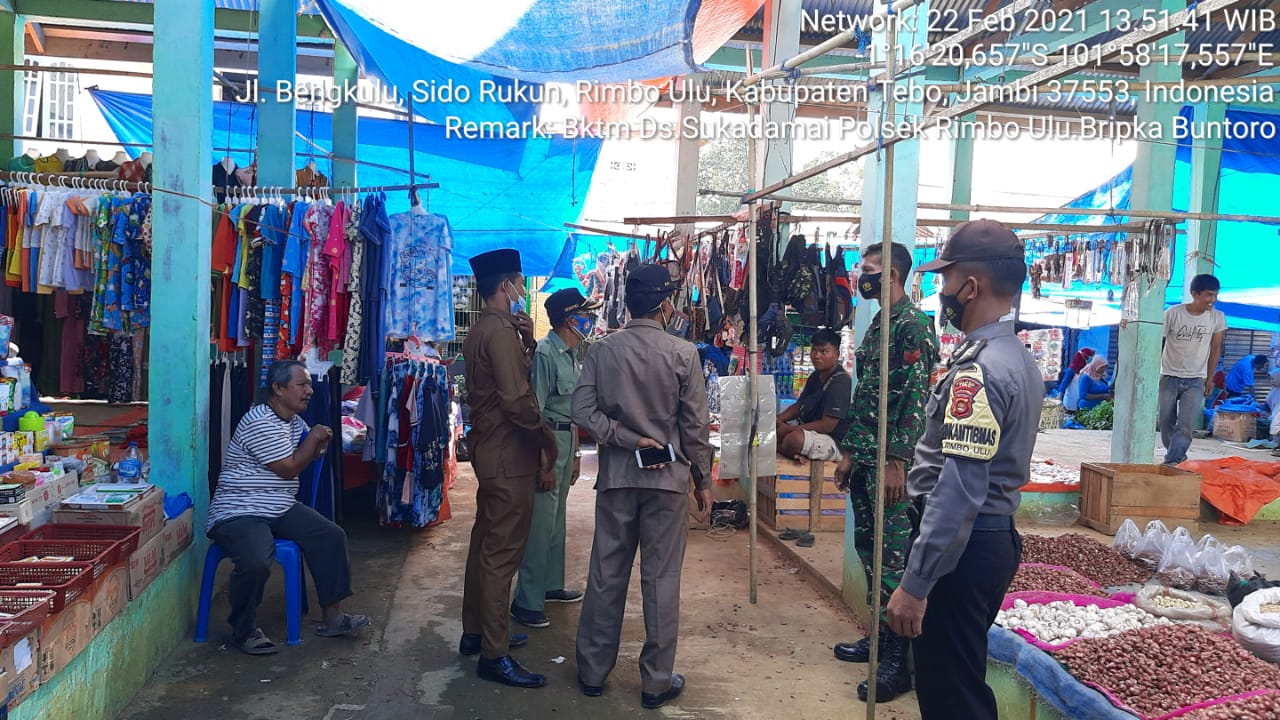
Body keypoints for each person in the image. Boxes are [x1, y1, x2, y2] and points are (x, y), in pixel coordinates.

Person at [884, 219, 1041, 720]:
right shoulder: (1015, 358)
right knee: (959, 678)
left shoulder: (981, 371)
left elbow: (957, 490)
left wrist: (917, 583)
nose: (942, 290)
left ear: (971, 287)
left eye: (946, 279)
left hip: (963, 548)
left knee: (952, 695)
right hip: (986, 539)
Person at [571, 264, 713, 711]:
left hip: (617, 478)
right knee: (661, 578)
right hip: (668, 483)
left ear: (629, 304)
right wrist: (703, 479)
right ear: (665, 305)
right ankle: (655, 681)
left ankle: (593, 672)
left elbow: (582, 411)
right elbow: (695, 427)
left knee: (606, 573)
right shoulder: (683, 353)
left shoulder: (602, 350)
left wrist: (626, 438)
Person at [831, 242, 938, 702]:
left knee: (892, 559)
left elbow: (914, 400)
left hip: (894, 465)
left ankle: (897, 661)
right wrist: (851, 454)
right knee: (870, 550)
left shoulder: (911, 326)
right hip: (868, 459)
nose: (862, 276)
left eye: (868, 269)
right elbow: (869, 396)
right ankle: (878, 637)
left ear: (892, 274)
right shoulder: (879, 324)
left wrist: (897, 462)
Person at [206, 360, 368, 656]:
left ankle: (333, 616)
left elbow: (310, 453)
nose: (310, 391)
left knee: (330, 536)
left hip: (279, 506)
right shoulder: (260, 421)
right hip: (240, 509)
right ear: (279, 389)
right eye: (302, 385)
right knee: (256, 559)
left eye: (309, 385)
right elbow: (288, 468)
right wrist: (315, 438)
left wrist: (317, 441)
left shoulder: (292, 421)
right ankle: (243, 630)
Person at [460, 248, 559, 689]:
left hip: (491, 451)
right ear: (505, 286)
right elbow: (517, 400)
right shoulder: (499, 333)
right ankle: (494, 654)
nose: (523, 290)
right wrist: (545, 439)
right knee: (501, 556)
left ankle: (477, 631)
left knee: (485, 543)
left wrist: (528, 343)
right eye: (520, 283)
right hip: (508, 455)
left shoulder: (485, 330)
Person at [511, 288, 602, 629]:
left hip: (566, 440)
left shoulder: (572, 354)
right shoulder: (546, 354)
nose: (589, 320)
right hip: (548, 442)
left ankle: (550, 585)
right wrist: (544, 461)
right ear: (568, 319)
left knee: (557, 520)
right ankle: (526, 602)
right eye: (584, 314)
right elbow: (536, 410)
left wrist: (575, 454)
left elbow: (571, 411)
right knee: (540, 525)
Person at [1160, 274, 1226, 465]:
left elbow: (1215, 349)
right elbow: (1158, 341)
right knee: (1165, 420)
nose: (1212, 299)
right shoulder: (1173, 313)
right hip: (1169, 375)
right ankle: (1175, 454)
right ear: (1195, 294)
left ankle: (1173, 459)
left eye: (1215, 295)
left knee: (1186, 423)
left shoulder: (1217, 317)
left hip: (1196, 379)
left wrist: (1210, 378)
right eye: (1208, 294)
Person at [774, 328, 852, 463]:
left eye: (823, 352)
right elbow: (799, 406)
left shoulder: (841, 381)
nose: (816, 356)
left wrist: (788, 430)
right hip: (809, 431)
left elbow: (827, 426)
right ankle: (791, 450)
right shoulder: (815, 376)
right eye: (814, 350)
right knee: (775, 431)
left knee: (795, 439)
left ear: (837, 354)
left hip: (833, 440)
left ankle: (783, 448)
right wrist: (777, 420)